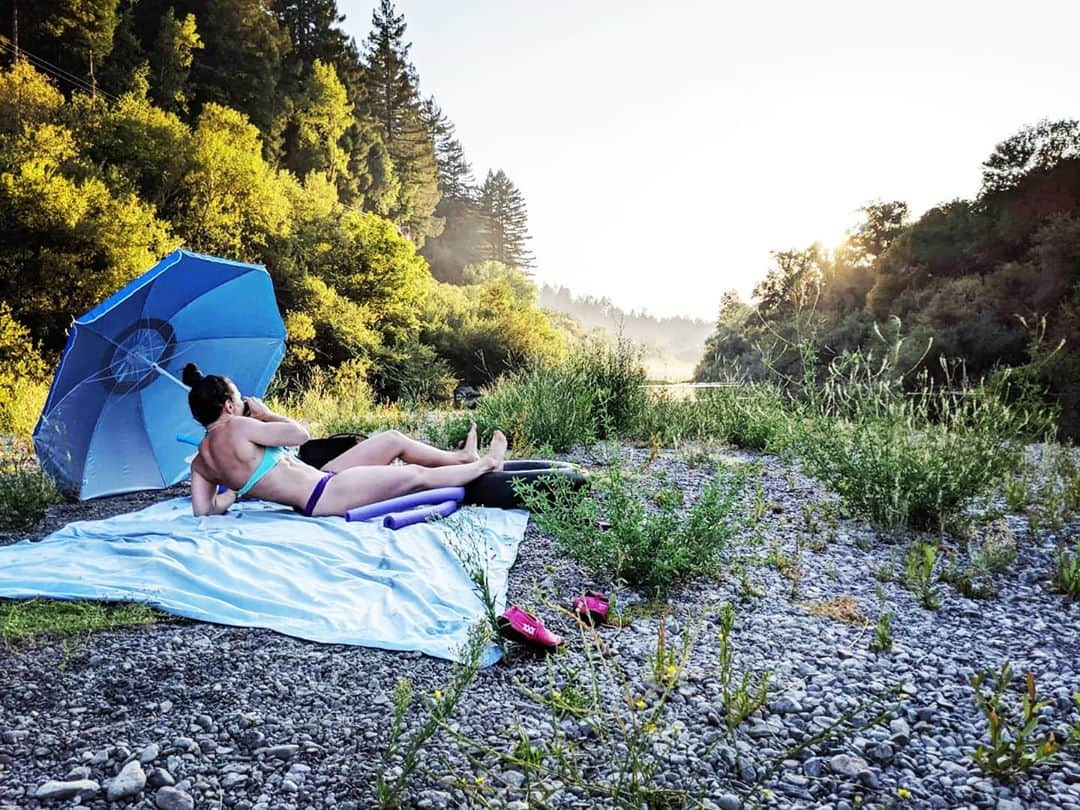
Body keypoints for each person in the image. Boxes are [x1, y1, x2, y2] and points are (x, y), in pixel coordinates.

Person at [181, 363, 506, 518]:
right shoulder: (239, 426)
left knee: (392, 440)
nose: (242, 403)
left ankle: (462, 458)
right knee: (414, 476)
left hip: (324, 480)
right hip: (324, 495)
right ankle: (487, 463)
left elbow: (203, 510)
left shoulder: (201, 462)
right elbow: (300, 434)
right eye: (238, 398)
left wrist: (231, 495)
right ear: (228, 405)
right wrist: (265, 415)